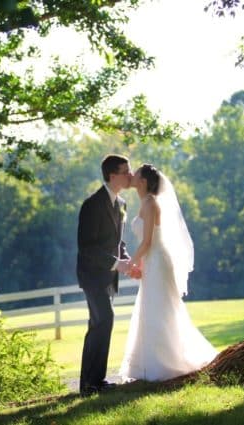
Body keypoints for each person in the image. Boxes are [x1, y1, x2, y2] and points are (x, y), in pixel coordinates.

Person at [119, 164, 218, 382]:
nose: (132, 175)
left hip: (157, 261)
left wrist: (130, 263)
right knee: (152, 307)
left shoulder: (151, 204)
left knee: (160, 308)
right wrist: (139, 265)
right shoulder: (144, 203)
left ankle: (167, 362)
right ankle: (149, 363)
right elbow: (148, 242)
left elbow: (147, 242)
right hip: (151, 261)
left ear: (143, 182)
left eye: (135, 174)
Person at [77, 154, 133, 396]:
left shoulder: (122, 204)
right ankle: (93, 382)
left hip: (108, 277)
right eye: (126, 171)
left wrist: (126, 259)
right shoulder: (92, 204)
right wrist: (115, 264)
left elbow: (117, 242)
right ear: (113, 175)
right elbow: (86, 247)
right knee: (104, 320)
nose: (130, 176)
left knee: (97, 324)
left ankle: (90, 384)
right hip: (92, 276)